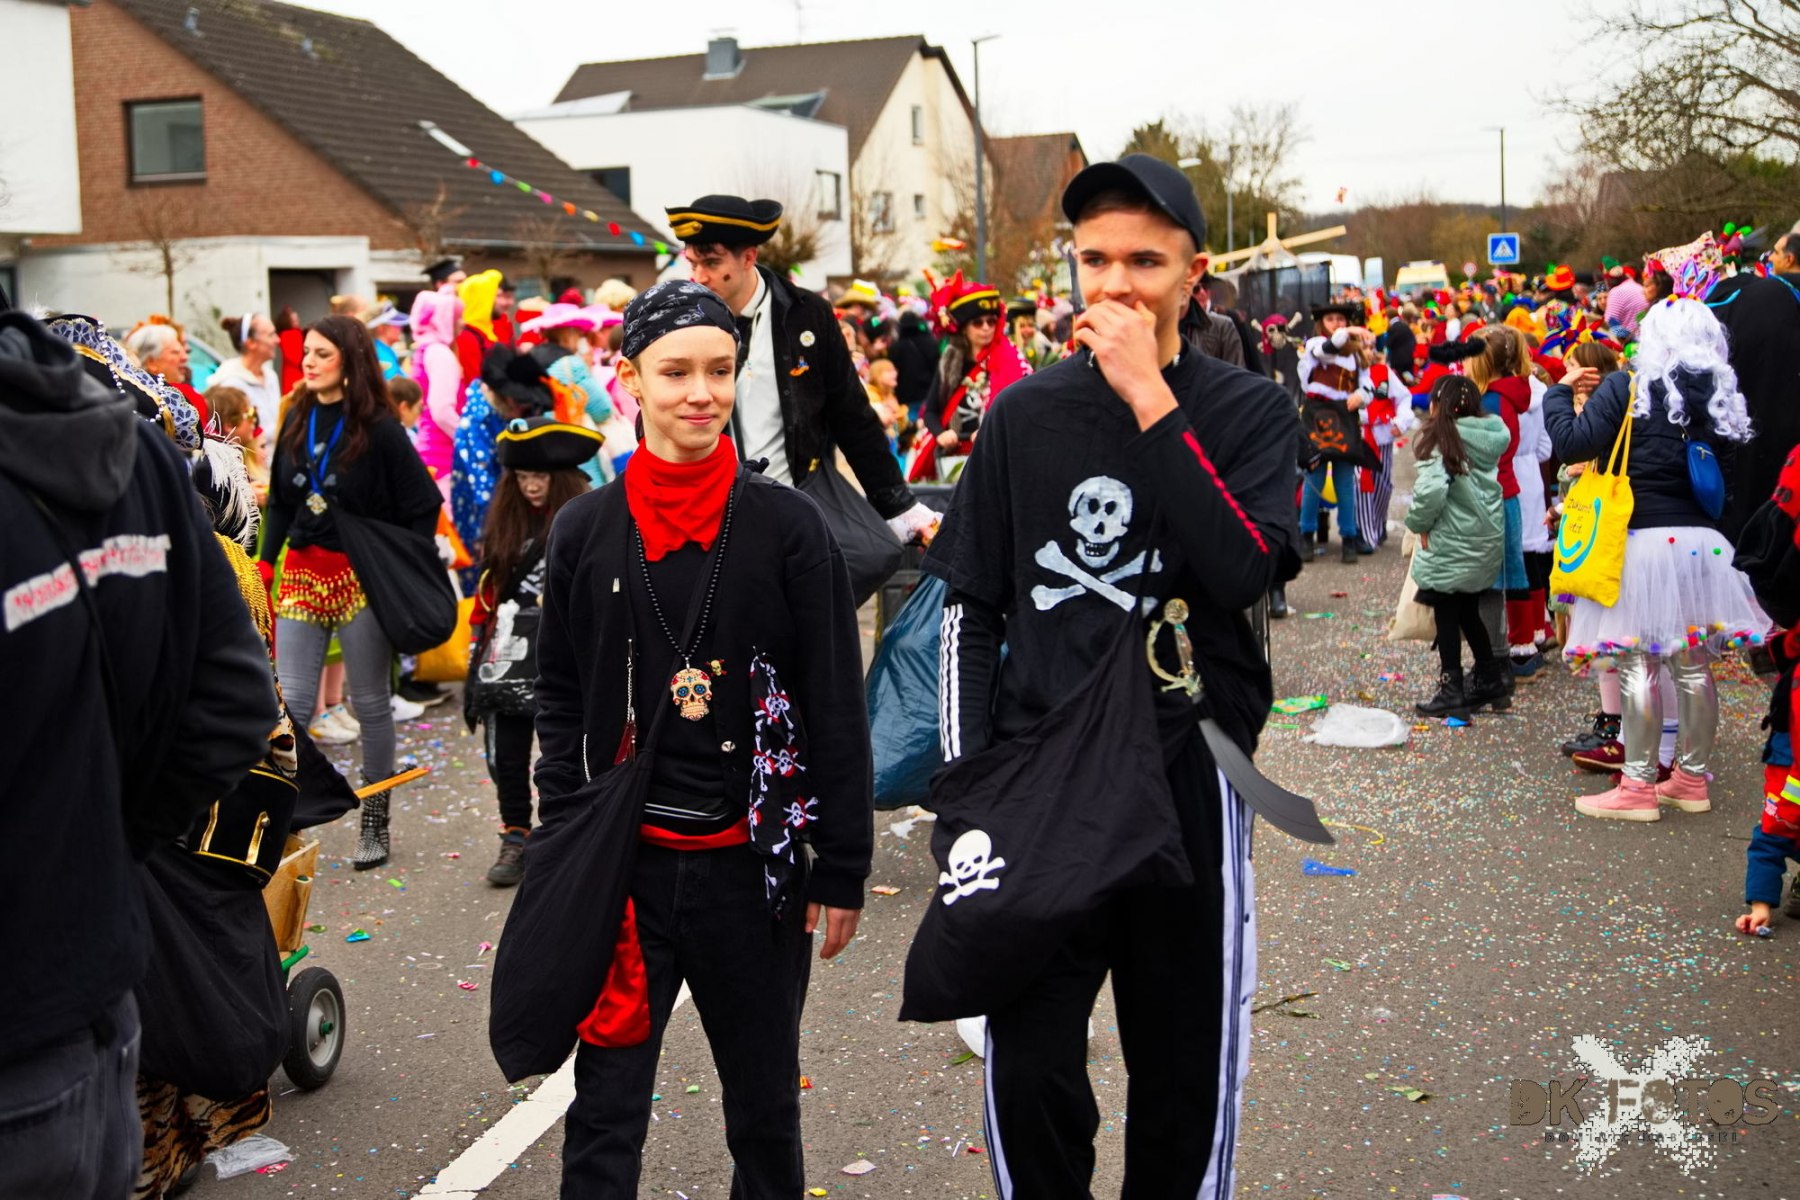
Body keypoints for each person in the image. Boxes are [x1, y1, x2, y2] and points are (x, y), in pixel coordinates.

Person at [918, 154, 1302, 1198]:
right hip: (1041, 778)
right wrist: (968, 790)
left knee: (1181, 1065)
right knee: (1029, 1063)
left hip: (1188, 770)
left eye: (1145, 261)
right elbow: (969, 606)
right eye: (1095, 261)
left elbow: (1240, 571)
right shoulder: (1024, 416)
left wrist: (1149, 397)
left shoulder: (1250, 413)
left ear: (1194, 274)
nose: (1116, 284)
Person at [527, 280, 872, 1193]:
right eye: (675, 372)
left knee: (764, 1111)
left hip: (751, 879)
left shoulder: (789, 527)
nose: (700, 393)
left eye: (720, 371)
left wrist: (842, 863)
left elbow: (834, 700)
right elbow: (559, 693)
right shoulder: (584, 529)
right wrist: (563, 832)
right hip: (624, 875)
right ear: (630, 380)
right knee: (604, 1112)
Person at [0, 299, 276, 1198]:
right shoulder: (139, 458)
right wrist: (111, 841)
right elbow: (234, 703)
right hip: (95, 978)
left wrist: (118, 837)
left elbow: (241, 707)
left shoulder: (149, 464)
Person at [1545, 288, 1763, 821]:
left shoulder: (1627, 385)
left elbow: (1571, 445)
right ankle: (1690, 780)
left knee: (1637, 662)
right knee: (1693, 665)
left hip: (1642, 541)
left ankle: (1638, 786)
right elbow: (1727, 482)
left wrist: (1559, 393)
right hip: (1702, 545)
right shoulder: (1719, 394)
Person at [260, 315, 443, 864]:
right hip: (301, 575)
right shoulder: (297, 416)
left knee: (369, 703)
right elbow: (280, 502)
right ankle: (284, 820)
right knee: (292, 704)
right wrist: (264, 563)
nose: (308, 362)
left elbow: (423, 504)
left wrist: (399, 565)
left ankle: (375, 820)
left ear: (350, 359)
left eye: (321, 353)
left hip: (360, 580)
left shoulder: (379, 427)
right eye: (306, 353)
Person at [670, 194, 936, 542]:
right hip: (712, 514)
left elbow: (851, 415)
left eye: (711, 263)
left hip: (795, 512)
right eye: (692, 264)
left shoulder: (808, 315)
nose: (699, 276)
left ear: (749, 257)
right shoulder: (683, 320)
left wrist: (898, 505)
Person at [465, 418, 601, 887]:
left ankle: (568, 832)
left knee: (572, 746)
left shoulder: (587, 514)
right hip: (510, 652)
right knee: (507, 751)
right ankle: (516, 835)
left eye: (539, 476)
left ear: (559, 476)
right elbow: (491, 588)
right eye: (522, 477)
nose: (531, 486)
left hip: (569, 649)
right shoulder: (507, 519)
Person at [1406, 376, 1510, 718]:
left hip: (1452, 538)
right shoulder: (1488, 436)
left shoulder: (1443, 438)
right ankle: (1490, 679)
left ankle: (1451, 688)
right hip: (1483, 537)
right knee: (1467, 609)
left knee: (1447, 612)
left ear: (1438, 404)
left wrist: (1418, 524)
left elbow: (1431, 491)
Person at [911, 274, 1030, 483]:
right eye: (978, 322)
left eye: (991, 321)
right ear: (964, 328)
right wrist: (940, 434)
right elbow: (931, 411)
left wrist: (988, 431)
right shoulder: (950, 361)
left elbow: (1021, 409)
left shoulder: (1011, 359)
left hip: (995, 458)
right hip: (952, 460)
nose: (986, 328)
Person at [1298, 300, 1378, 562]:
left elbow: (1368, 385)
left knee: (1345, 483)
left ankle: (1349, 538)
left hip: (1345, 418)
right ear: (1322, 323)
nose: (1336, 324)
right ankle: (1305, 535)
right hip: (1317, 417)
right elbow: (1329, 348)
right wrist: (1351, 331)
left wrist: (1361, 396)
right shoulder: (1315, 345)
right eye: (1331, 319)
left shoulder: (1356, 354)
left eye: (1341, 319)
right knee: (1314, 480)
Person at [408, 286, 464, 502]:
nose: (462, 323)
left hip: (431, 450)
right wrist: (467, 439)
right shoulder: (440, 353)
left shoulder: (424, 349)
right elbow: (441, 410)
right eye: (456, 318)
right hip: (443, 458)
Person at [123, 318, 209, 429]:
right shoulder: (181, 398)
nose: (184, 357)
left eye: (183, 351)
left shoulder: (129, 397)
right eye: (175, 352)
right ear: (151, 362)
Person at [211, 311, 282, 444]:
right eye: (271, 335)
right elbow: (235, 435)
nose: (278, 340)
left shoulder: (271, 376)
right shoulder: (230, 384)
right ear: (251, 343)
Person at [365, 303, 411, 380]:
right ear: (381, 328)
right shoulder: (379, 353)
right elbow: (393, 384)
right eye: (395, 324)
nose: (400, 328)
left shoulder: (382, 349)